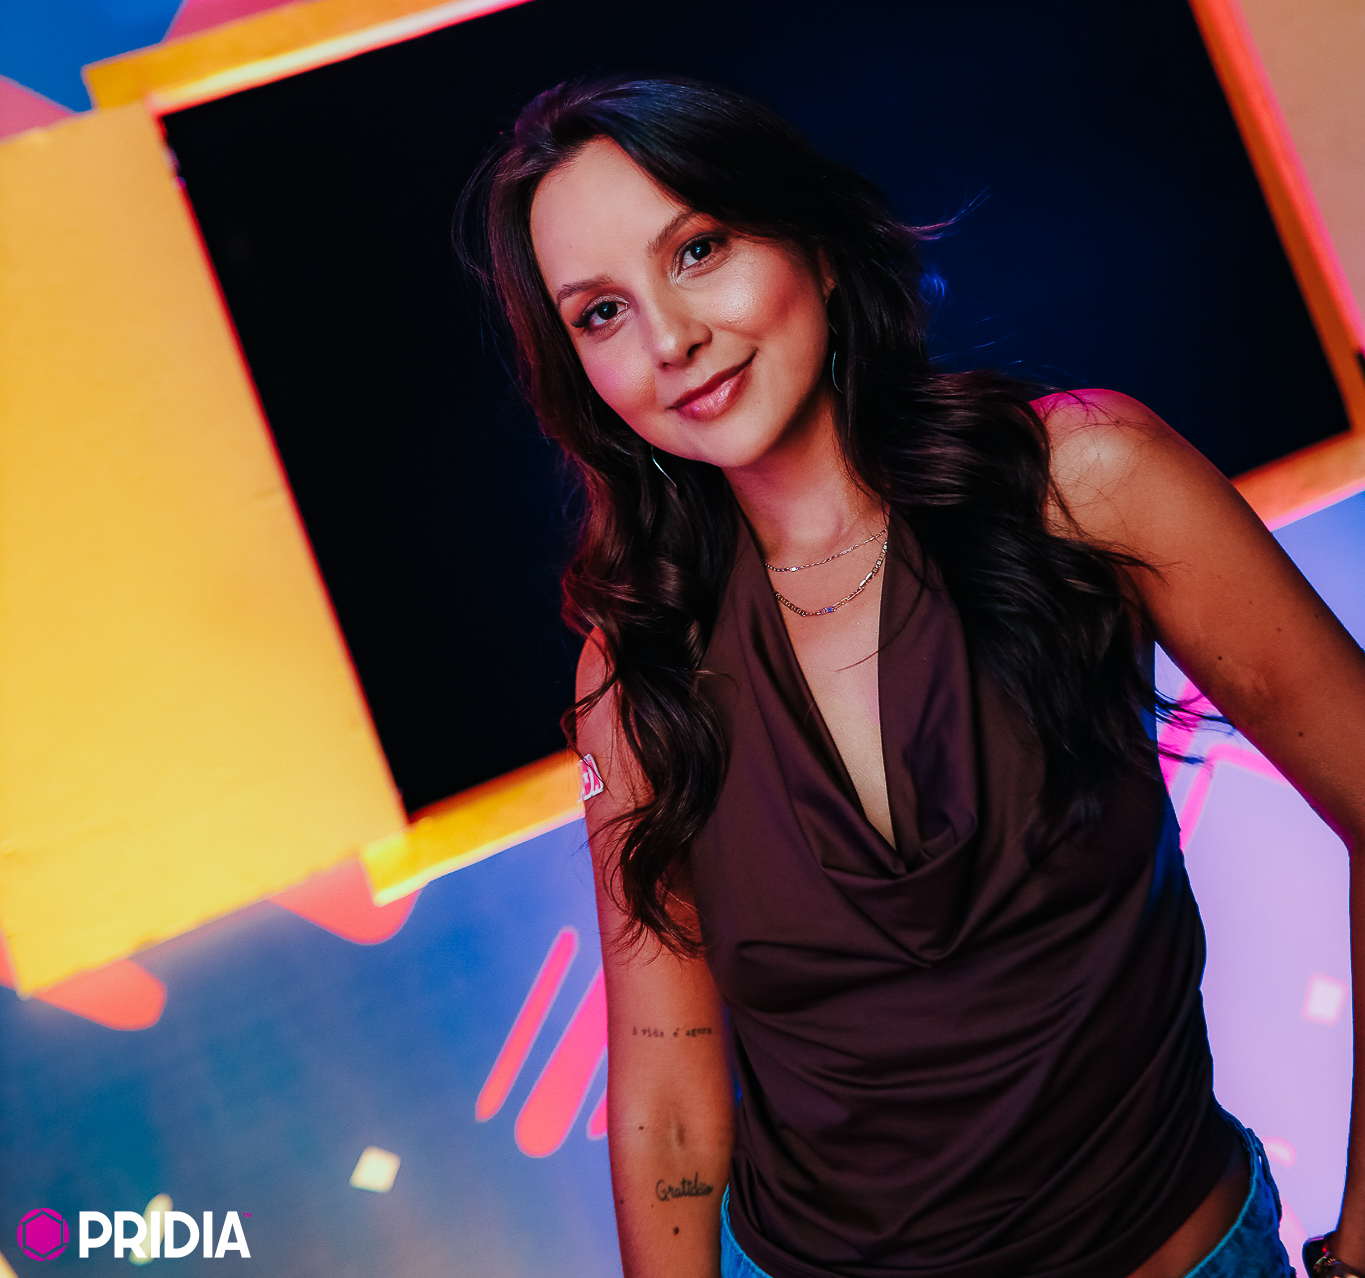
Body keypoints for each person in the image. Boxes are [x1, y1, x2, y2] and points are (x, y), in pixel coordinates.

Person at [459, 73, 1365, 1278]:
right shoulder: (636, 670)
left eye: (699, 248)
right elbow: (669, 1102)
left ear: (817, 247)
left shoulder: (1082, 484)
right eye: (602, 312)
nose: (669, 338)